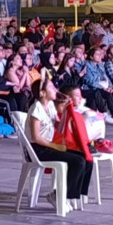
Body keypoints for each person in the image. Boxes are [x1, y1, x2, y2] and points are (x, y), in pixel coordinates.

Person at [26, 77, 93, 209]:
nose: (55, 90)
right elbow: (36, 137)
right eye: (51, 87)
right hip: (38, 149)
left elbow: (59, 128)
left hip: (48, 146)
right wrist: (55, 146)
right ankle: (59, 195)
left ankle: (69, 195)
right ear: (42, 93)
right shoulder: (36, 109)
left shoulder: (50, 106)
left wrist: (66, 110)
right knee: (78, 161)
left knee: (86, 158)